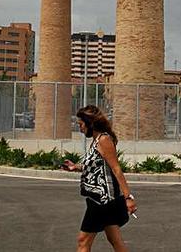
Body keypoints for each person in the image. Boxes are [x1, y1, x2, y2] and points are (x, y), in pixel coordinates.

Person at [61, 105, 136, 252]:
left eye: (81, 124)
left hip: (101, 200)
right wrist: (75, 167)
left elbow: (116, 169)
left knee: (83, 241)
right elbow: (96, 166)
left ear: (90, 123)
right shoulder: (96, 140)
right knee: (115, 240)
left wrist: (129, 197)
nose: (80, 128)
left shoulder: (103, 139)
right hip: (99, 198)